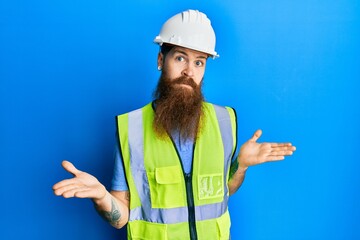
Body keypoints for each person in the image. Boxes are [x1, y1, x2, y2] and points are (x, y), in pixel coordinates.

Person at [53, 9, 296, 240]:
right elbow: (121, 218)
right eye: (180, 57)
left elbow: (223, 192)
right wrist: (101, 196)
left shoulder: (225, 121)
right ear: (161, 59)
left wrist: (240, 165)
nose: (189, 71)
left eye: (199, 62)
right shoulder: (131, 128)